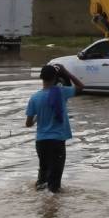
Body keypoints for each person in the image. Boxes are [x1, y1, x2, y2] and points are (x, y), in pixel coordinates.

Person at [25, 64, 84, 193]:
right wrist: (66, 72)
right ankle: (52, 210)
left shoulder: (34, 98)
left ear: (41, 78)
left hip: (41, 143)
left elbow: (28, 124)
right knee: (54, 185)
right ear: (55, 78)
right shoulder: (61, 93)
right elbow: (81, 86)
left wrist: (36, 118)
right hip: (57, 142)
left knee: (43, 177)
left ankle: (40, 207)